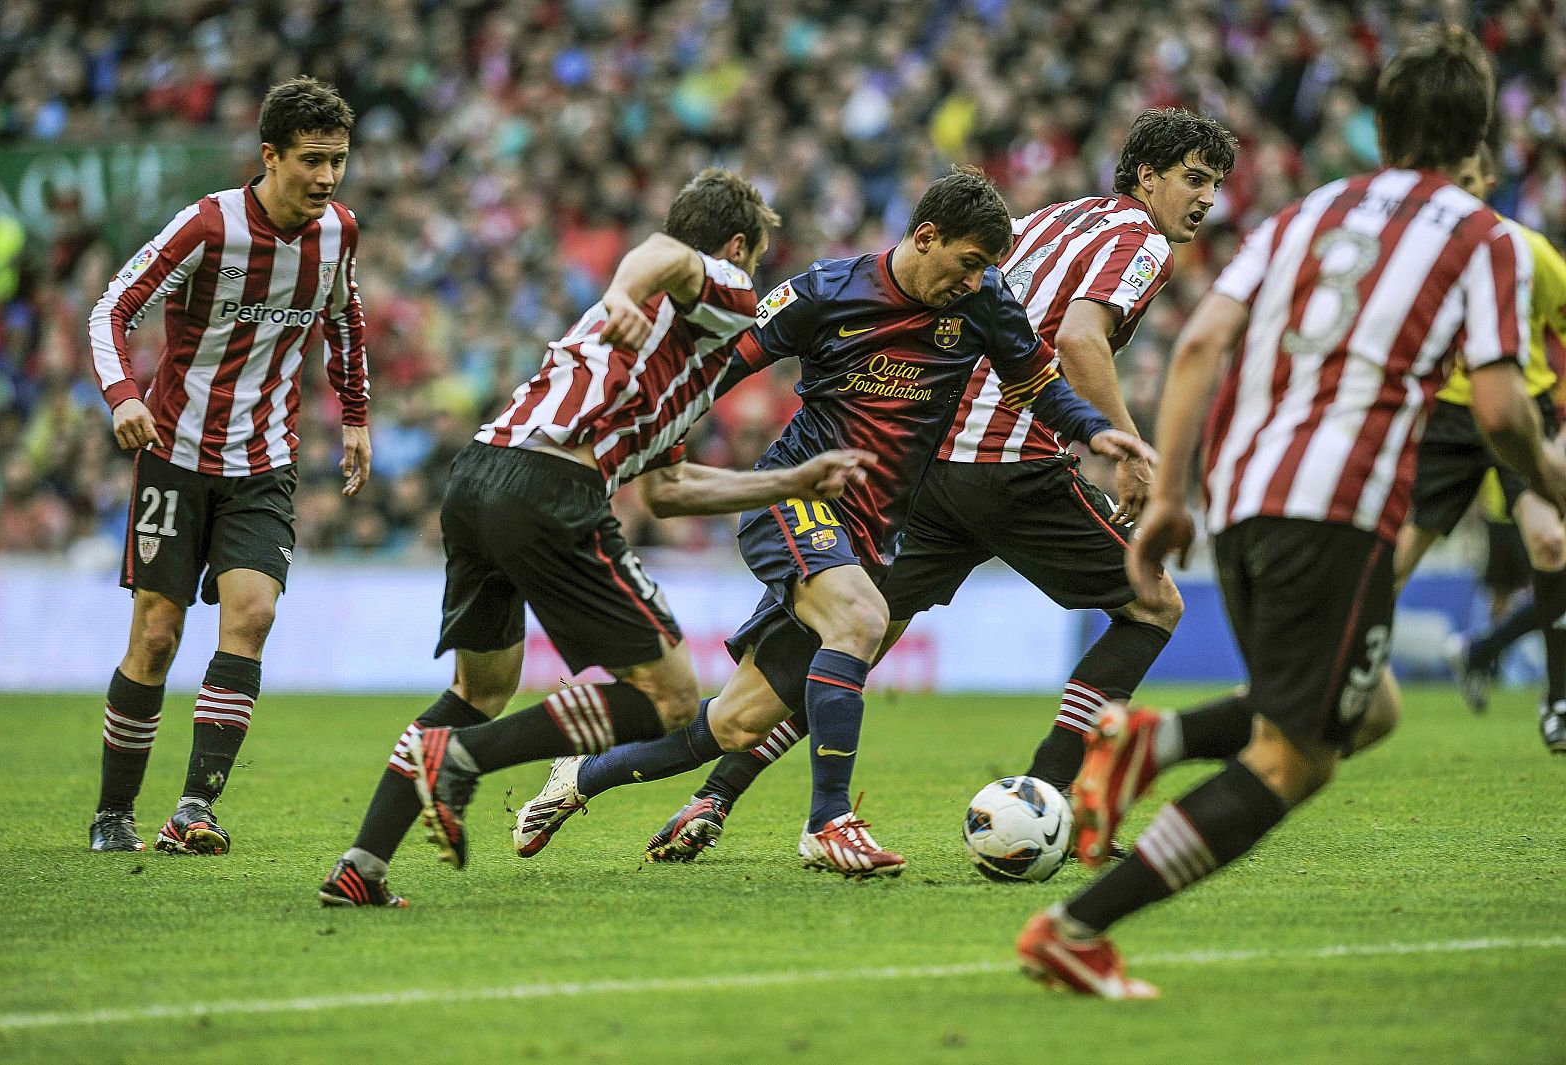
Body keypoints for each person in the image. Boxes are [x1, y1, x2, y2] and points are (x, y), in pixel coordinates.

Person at [1016, 25, 1566, 998]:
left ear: (1381, 126)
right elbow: (1497, 408)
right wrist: (1552, 482)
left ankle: (1152, 741)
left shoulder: (1306, 210)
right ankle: (1074, 929)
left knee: (1374, 706)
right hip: (1336, 507)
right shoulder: (1486, 237)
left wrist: (1173, 495)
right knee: (1296, 759)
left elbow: (1196, 350)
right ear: (1477, 140)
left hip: (1240, 494)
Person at [624, 109, 1239, 865]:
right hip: (1012, 465)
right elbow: (1079, 337)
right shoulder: (1140, 241)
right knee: (1153, 605)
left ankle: (714, 795)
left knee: (853, 640)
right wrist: (1125, 448)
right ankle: (1056, 796)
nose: (1208, 199)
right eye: (1195, 178)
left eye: (1215, 184)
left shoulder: (1049, 217)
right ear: (1148, 176)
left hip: (929, 466)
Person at [509, 167, 1154, 878]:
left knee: (736, 722)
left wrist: (1097, 433)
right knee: (859, 620)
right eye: (967, 264)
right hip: (794, 495)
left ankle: (578, 779)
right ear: (926, 237)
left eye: (985, 271)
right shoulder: (825, 291)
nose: (974, 282)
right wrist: (660, 450)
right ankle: (829, 823)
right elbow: (716, 369)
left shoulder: (984, 300)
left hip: (874, 528)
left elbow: (1035, 384)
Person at [316, 168, 874, 906]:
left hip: (479, 477)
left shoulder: (671, 360)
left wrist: (792, 481)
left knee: (478, 688)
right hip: (550, 490)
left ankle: (363, 864)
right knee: (674, 699)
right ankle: (459, 761)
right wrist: (620, 292)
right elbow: (665, 255)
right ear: (737, 245)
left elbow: (670, 492)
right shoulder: (714, 288)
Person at [87, 77, 371, 855]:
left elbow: (346, 320)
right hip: (173, 455)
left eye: (338, 161)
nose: (326, 178)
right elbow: (111, 306)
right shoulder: (208, 226)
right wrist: (120, 395)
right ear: (269, 155)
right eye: (312, 161)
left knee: (253, 615)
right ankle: (114, 813)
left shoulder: (340, 232)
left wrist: (353, 415)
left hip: (266, 460)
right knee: (157, 635)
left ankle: (194, 809)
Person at [1392, 143, 1566, 750]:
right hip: (1446, 419)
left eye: (1470, 180)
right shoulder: (1422, 255)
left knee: (1550, 540)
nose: (1461, 194)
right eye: (1450, 181)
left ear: (1489, 181)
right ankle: (1330, 686)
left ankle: (1559, 702)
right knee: (1393, 560)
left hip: (1520, 410)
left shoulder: (1528, 250)